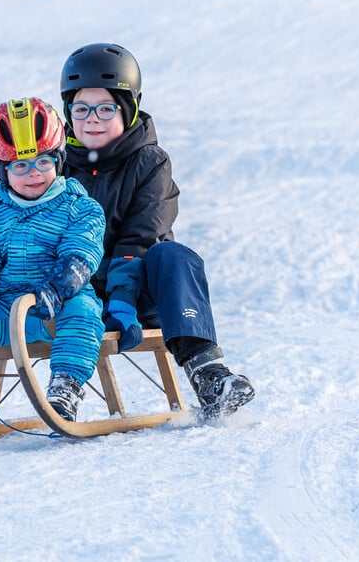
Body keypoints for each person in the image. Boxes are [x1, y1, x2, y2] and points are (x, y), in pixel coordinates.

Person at [58, 43, 256, 419]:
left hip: (139, 295)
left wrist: (122, 294)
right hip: (75, 291)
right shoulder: (56, 166)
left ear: (128, 109)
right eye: (81, 109)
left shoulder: (150, 161)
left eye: (105, 108)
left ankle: (208, 372)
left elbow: (144, 233)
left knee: (173, 255)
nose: (92, 119)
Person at [0, 97, 107, 428]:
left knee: (84, 312)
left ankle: (65, 387)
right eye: (19, 166)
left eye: (42, 162)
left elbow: (81, 252)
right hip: (6, 311)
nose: (33, 174)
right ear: (3, 170)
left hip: (56, 308)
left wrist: (58, 287)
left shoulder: (81, 209)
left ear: (59, 160)